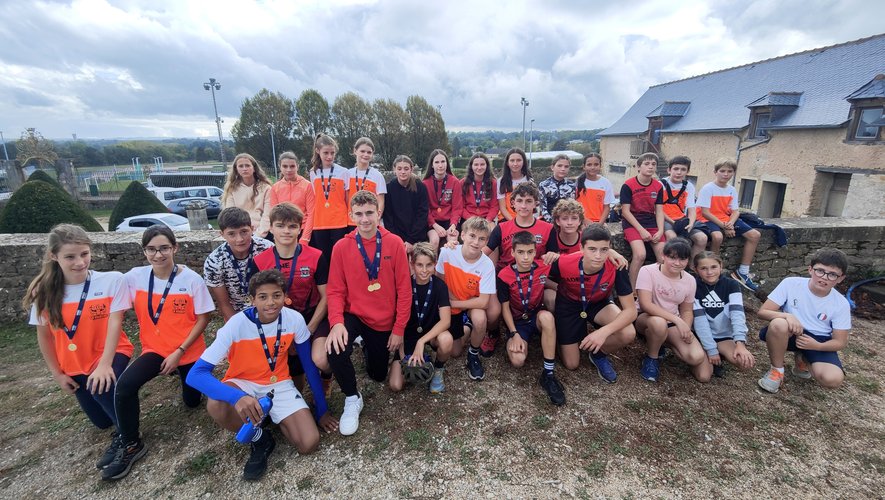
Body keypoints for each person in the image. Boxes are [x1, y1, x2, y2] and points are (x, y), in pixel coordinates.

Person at [187, 270, 336, 480]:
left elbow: (310, 368)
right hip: (243, 383)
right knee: (216, 404)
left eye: (277, 295)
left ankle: (269, 416)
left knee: (309, 443)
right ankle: (260, 437)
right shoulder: (236, 324)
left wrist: (322, 410)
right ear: (252, 299)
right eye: (263, 297)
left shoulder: (294, 319)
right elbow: (195, 375)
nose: (271, 303)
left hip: (279, 384)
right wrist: (237, 397)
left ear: (285, 297)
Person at [23, 224, 135, 475]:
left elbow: (115, 323)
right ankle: (120, 423)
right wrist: (57, 373)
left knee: (102, 387)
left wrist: (105, 364)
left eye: (84, 254)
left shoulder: (111, 281)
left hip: (110, 353)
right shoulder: (44, 291)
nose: (80, 262)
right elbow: (44, 336)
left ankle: (130, 440)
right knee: (101, 421)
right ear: (54, 256)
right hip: (74, 363)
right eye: (70, 257)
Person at [107, 225, 214, 480]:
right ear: (144, 251)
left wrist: (179, 352)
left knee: (191, 402)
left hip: (187, 351)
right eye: (151, 249)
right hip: (155, 351)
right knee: (124, 387)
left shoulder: (191, 280)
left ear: (174, 248)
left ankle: (184, 377)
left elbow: (204, 318)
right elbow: (99, 286)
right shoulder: (134, 277)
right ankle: (130, 442)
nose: (158, 255)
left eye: (164, 248)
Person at [325, 191, 412, 435]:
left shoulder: (394, 242)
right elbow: (334, 291)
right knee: (335, 347)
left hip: (382, 320)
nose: (365, 219)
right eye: (359, 214)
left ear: (379, 213)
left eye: (369, 213)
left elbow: (405, 291)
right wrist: (336, 323)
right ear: (351, 215)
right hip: (353, 314)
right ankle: (352, 398)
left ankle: (365, 345)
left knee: (377, 375)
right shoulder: (341, 246)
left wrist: (398, 329)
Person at [252, 203, 333, 397]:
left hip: (313, 316)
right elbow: (258, 301)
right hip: (280, 319)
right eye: (280, 225)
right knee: (295, 378)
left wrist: (309, 328)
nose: (286, 231)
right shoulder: (260, 261)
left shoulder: (316, 256)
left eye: (292, 226)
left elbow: (327, 296)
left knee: (321, 359)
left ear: (300, 228)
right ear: (271, 228)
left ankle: (326, 378)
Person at [548, 224, 636, 384]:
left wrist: (604, 332)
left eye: (604, 250)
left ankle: (598, 354)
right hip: (569, 304)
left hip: (598, 303)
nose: (598, 255)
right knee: (572, 364)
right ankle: (566, 335)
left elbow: (631, 311)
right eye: (592, 249)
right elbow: (541, 273)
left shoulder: (618, 265)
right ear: (581, 248)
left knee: (628, 332)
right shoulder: (564, 262)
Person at [756, 248, 851, 393]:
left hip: (818, 340)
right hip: (790, 332)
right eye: (820, 271)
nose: (824, 277)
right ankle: (777, 371)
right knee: (778, 323)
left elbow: (840, 342)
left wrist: (816, 346)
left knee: (832, 379)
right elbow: (762, 312)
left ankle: (804, 358)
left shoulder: (841, 303)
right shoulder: (791, 283)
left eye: (832, 274)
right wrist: (788, 316)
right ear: (810, 269)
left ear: (841, 278)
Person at [483, 182, 559, 356]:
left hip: (535, 280)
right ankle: (493, 332)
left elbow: (556, 256)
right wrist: (455, 250)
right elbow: (482, 253)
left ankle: (551, 332)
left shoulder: (547, 229)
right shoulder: (502, 227)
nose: (524, 205)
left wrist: (554, 257)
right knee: (493, 311)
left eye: (528, 201)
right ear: (513, 203)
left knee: (554, 299)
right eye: (520, 200)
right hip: (506, 279)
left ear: (535, 203)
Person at [496, 231, 563, 405]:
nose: (525, 257)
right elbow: (504, 308)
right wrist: (513, 333)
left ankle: (548, 374)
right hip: (518, 323)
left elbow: (578, 258)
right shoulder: (503, 275)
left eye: (530, 252)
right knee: (518, 361)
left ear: (535, 252)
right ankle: (519, 342)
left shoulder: (544, 266)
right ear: (512, 252)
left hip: (537, 316)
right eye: (520, 252)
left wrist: (611, 252)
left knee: (548, 318)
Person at [635, 238, 711, 383]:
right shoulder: (648, 271)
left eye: (682, 259)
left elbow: (687, 310)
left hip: (672, 323)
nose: (677, 263)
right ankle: (652, 358)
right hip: (647, 318)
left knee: (696, 359)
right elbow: (645, 304)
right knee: (658, 323)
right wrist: (677, 320)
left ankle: (663, 342)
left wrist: (686, 327)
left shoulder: (689, 280)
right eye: (672, 257)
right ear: (663, 256)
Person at [436, 216, 496, 381]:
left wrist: (454, 303)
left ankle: (473, 353)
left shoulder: (486, 265)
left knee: (480, 319)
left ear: (486, 241)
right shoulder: (447, 252)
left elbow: (483, 302)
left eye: (481, 238)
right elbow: (439, 281)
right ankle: (466, 327)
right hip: (450, 302)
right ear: (462, 235)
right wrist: (447, 303)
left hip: (469, 303)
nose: (476, 242)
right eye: (472, 236)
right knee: (453, 351)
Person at [389, 242, 453, 394]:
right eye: (419, 265)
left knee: (446, 339)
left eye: (429, 265)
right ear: (412, 264)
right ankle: (406, 359)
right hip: (407, 336)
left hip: (431, 334)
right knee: (396, 385)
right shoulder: (403, 285)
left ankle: (438, 369)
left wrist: (421, 341)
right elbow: (397, 320)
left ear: (435, 264)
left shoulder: (440, 286)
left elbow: (446, 321)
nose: (424, 270)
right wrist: (403, 351)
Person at [695, 158, 761, 291]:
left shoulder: (731, 189)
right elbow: (705, 212)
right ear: (715, 172)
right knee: (717, 237)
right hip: (707, 218)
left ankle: (743, 271)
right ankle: (712, 269)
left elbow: (735, 211)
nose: (726, 174)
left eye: (729, 171)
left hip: (726, 218)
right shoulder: (708, 188)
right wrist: (724, 226)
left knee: (755, 235)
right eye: (722, 171)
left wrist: (730, 224)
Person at [692, 251, 754, 378]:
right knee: (704, 377)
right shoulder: (694, 286)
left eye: (714, 267)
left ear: (721, 266)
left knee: (744, 363)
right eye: (703, 268)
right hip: (700, 336)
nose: (709, 272)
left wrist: (740, 343)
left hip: (723, 337)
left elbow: (737, 315)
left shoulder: (731, 284)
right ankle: (703, 358)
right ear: (696, 270)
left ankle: (720, 356)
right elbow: (700, 321)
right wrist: (711, 349)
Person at [203, 207, 273, 321]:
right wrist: (239, 327)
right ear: (222, 234)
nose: (239, 239)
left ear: (252, 229)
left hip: (267, 309)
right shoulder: (214, 261)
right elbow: (224, 304)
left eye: (244, 232)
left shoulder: (267, 249)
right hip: (235, 315)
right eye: (231, 234)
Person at [620, 152, 666, 288]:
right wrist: (641, 231)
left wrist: (661, 230)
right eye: (646, 164)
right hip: (632, 222)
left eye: (653, 164)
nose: (650, 167)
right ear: (638, 167)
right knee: (640, 255)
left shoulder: (658, 186)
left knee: (663, 257)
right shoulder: (628, 185)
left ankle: (657, 288)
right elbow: (625, 211)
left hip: (650, 221)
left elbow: (659, 210)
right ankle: (632, 290)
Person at [309, 133, 350, 257]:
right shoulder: (313, 172)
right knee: (324, 257)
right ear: (317, 151)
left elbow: (347, 198)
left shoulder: (344, 172)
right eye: (326, 153)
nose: (329, 156)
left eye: (332, 153)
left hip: (339, 221)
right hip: (320, 221)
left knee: (339, 255)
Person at [660, 156, 707, 263]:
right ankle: (673, 265)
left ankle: (692, 268)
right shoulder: (661, 184)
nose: (679, 172)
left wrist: (690, 223)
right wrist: (673, 222)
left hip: (681, 218)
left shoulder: (688, 186)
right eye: (676, 169)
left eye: (683, 169)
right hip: (666, 219)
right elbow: (657, 209)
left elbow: (691, 209)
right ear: (669, 170)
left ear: (687, 171)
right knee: (672, 238)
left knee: (702, 238)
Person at [383, 155, 430, 253]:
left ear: (411, 169)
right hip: (397, 237)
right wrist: (398, 240)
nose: (403, 172)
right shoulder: (389, 188)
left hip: (417, 237)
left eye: (406, 168)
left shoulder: (420, 187)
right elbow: (388, 217)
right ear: (394, 169)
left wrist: (410, 240)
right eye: (399, 169)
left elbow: (422, 215)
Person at [222, 153, 273, 238]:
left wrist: (258, 235)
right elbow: (229, 214)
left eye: (247, 165)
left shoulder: (266, 188)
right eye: (241, 166)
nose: (244, 169)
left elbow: (268, 215)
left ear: (254, 168)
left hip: (263, 233)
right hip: (240, 234)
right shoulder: (232, 189)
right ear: (236, 169)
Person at [269, 152, 314, 246]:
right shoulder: (275, 188)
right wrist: (277, 236)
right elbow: (273, 215)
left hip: (302, 230)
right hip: (283, 232)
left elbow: (311, 213)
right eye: (285, 166)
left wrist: (305, 238)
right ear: (280, 167)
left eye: (292, 166)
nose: (288, 170)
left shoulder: (307, 185)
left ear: (297, 166)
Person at [423, 149, 462, 248]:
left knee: (452, 241)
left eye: (443, 161)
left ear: (447, 163)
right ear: (432, 165)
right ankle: (433, 264)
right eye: (436, 162)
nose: (440, 165)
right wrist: (434, 225)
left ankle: (450, 264)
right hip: (432, 222)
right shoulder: (425, 184)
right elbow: (425, 209)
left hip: (449, 221)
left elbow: (457, 208)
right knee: (434, 240)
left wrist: (453, 224)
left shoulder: (455, 182)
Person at [347, 137, 387, 229]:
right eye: (362, 151)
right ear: (355, 151)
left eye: (369, 152)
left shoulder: (377, 175)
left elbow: (380, 201)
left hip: (369, 222)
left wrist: (377, 218)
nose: (366, 154)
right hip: (351, 222)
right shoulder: (348, 173)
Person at [575, 153, 615, 224]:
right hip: (579, 222)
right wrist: (584, 220)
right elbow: (573, 205)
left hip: (599, 222)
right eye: (589, 164)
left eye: (596, 164)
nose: (593, 167)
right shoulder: (577, 183)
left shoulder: (606, 183)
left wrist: (599, 224)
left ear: (600, 166)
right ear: (584, 166)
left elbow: (607, 207)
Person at [460, 152, 499, 222]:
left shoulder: (493, 183)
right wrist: (470, 219)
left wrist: (488, 220)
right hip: (468, 219)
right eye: (476, 165)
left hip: (486, 219)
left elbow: (494, 206)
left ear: (487, 166)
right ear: (471, 166)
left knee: (492, 230)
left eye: (482, 164)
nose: (479, 167)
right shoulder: (463, 183)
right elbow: (461, 206)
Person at [538, 154, 576, 223]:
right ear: (552, 167)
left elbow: (572, 207)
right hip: (548, 222)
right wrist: (552, 222)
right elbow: (543, 208)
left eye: (566, 166)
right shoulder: (544, 185)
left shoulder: (571, 186)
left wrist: (565, 222)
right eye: (559, 166)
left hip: (566, 222)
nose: (563, 169)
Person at [497, 147, 532, 221]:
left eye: (518, 160)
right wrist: (514, 223)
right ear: (507, 163)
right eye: (512, 160)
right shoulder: (501, 181)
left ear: (523, 162)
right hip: (506, 219)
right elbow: (502, 208)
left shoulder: (529, 180)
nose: (515, 164)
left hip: (524, 219)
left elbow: (530, 205)